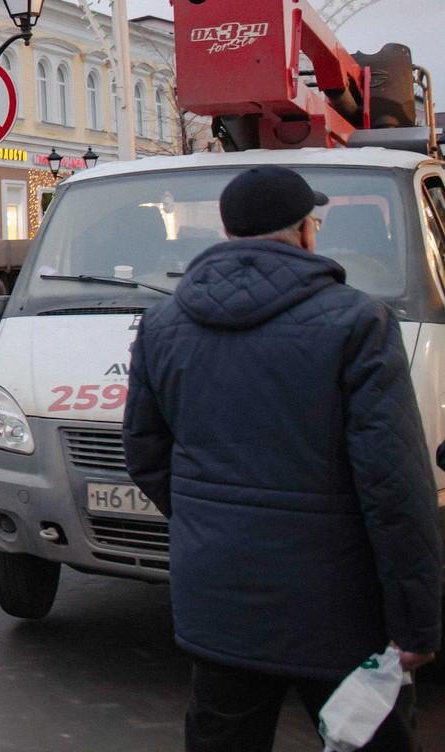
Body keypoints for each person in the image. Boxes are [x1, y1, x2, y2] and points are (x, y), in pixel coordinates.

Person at [123, 165, 440, 751]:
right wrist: (417, 621)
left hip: (218, 599)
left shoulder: (164, 322)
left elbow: (144, 455)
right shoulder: (358, 321)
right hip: (339, 609)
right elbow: (393, 487)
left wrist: (214, 521)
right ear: (304, 231)